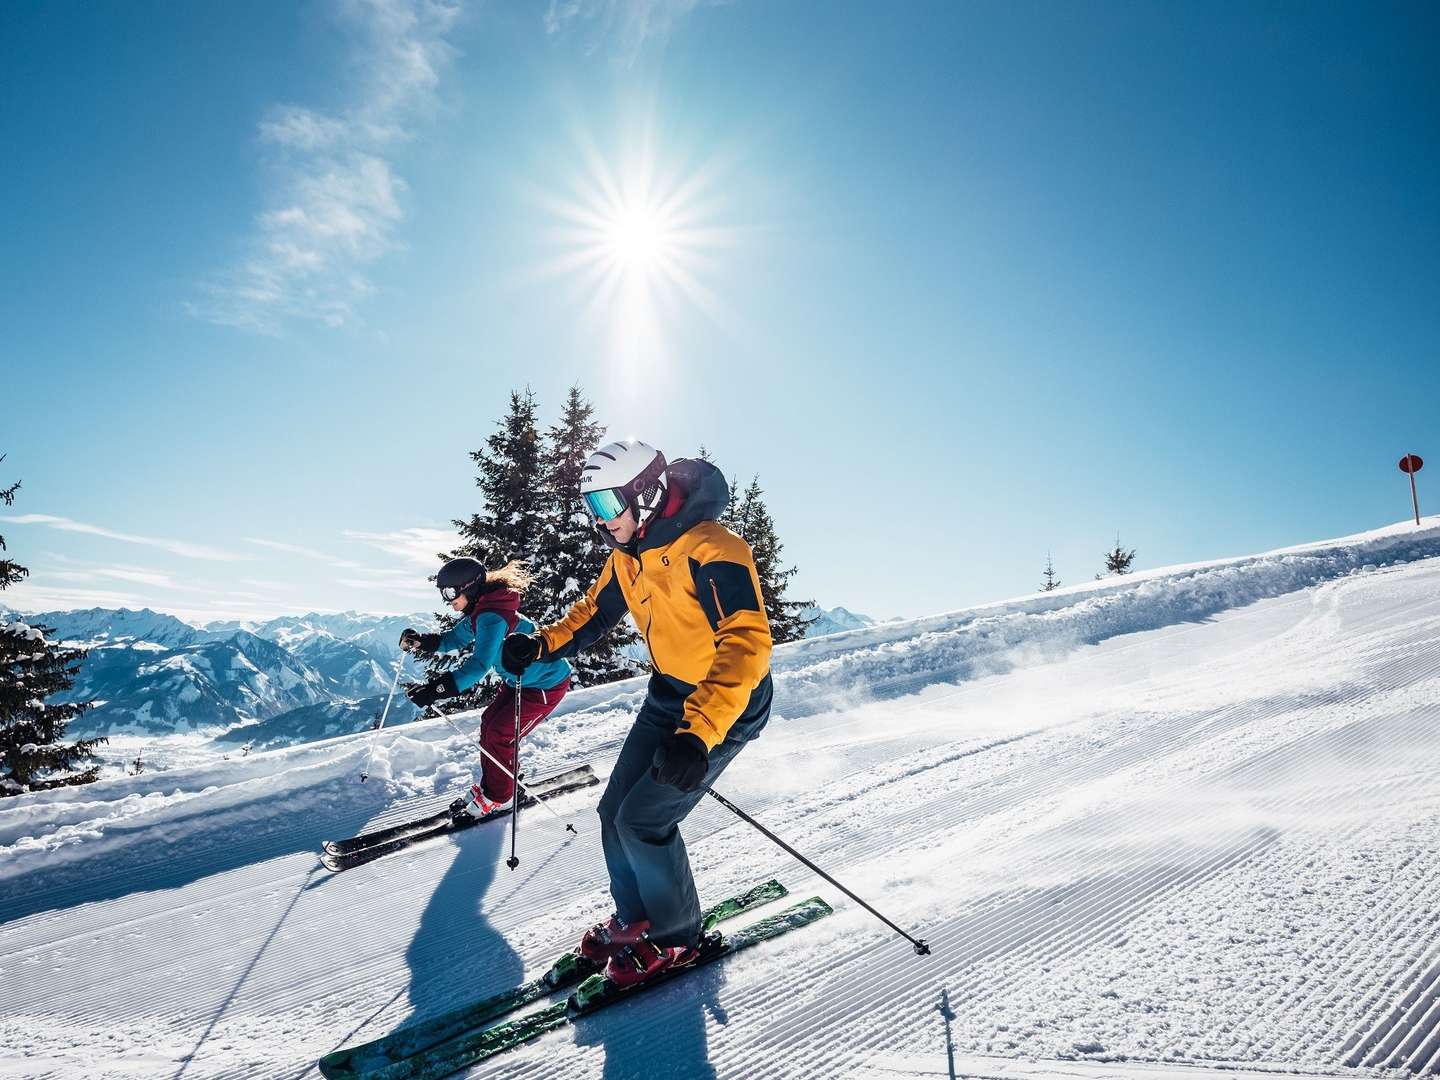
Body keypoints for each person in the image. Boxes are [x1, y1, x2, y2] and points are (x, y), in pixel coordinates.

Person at [500, 439, 773, 989]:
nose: (599, 521)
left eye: (605, 505)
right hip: (668, 694)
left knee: (644, 820)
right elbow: (594, 614)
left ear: (644, 495)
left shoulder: (713, 549)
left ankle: (678, 939)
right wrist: (542, 645)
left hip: (725, 703)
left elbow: (746, 645)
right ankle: (635, 919)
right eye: (589, 507)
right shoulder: (629, 555)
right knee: (613, 813)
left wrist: (699, 735)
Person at [400, 556, 573, 817]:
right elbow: (453, 639)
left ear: (468, 587)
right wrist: (420, 642)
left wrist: (435, 691)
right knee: (489, 723)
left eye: (450, 592)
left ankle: (502, 796)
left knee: (501, 733)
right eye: (443, 594)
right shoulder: (483, 611)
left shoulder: (492, 617)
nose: (448, 600)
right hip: (519, 683)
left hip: (544, 687)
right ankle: (496, 785)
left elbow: (479, 665)